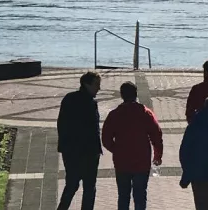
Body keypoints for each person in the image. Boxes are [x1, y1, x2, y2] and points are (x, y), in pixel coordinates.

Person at [102, 81, 164, 210]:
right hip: (142, 161)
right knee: (140, 195)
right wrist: (158, 155)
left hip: (122, 162)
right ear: (136, 94)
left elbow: (106, 138)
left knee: (123, 196)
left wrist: (117, 150)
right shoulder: (145, 113)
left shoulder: (115, 114)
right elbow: (156, 135)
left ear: (122, 95)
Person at [56, 71, 103, 210]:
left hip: (70, 152)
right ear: (86, 84)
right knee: (89, 187)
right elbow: (93, 130)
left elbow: (61, 124)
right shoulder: (90, 103)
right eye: (96, 84)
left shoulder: (69, 98)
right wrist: (96, 150)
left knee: (71, 184)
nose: (98, 88)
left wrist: (64, 146)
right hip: (88, 153)